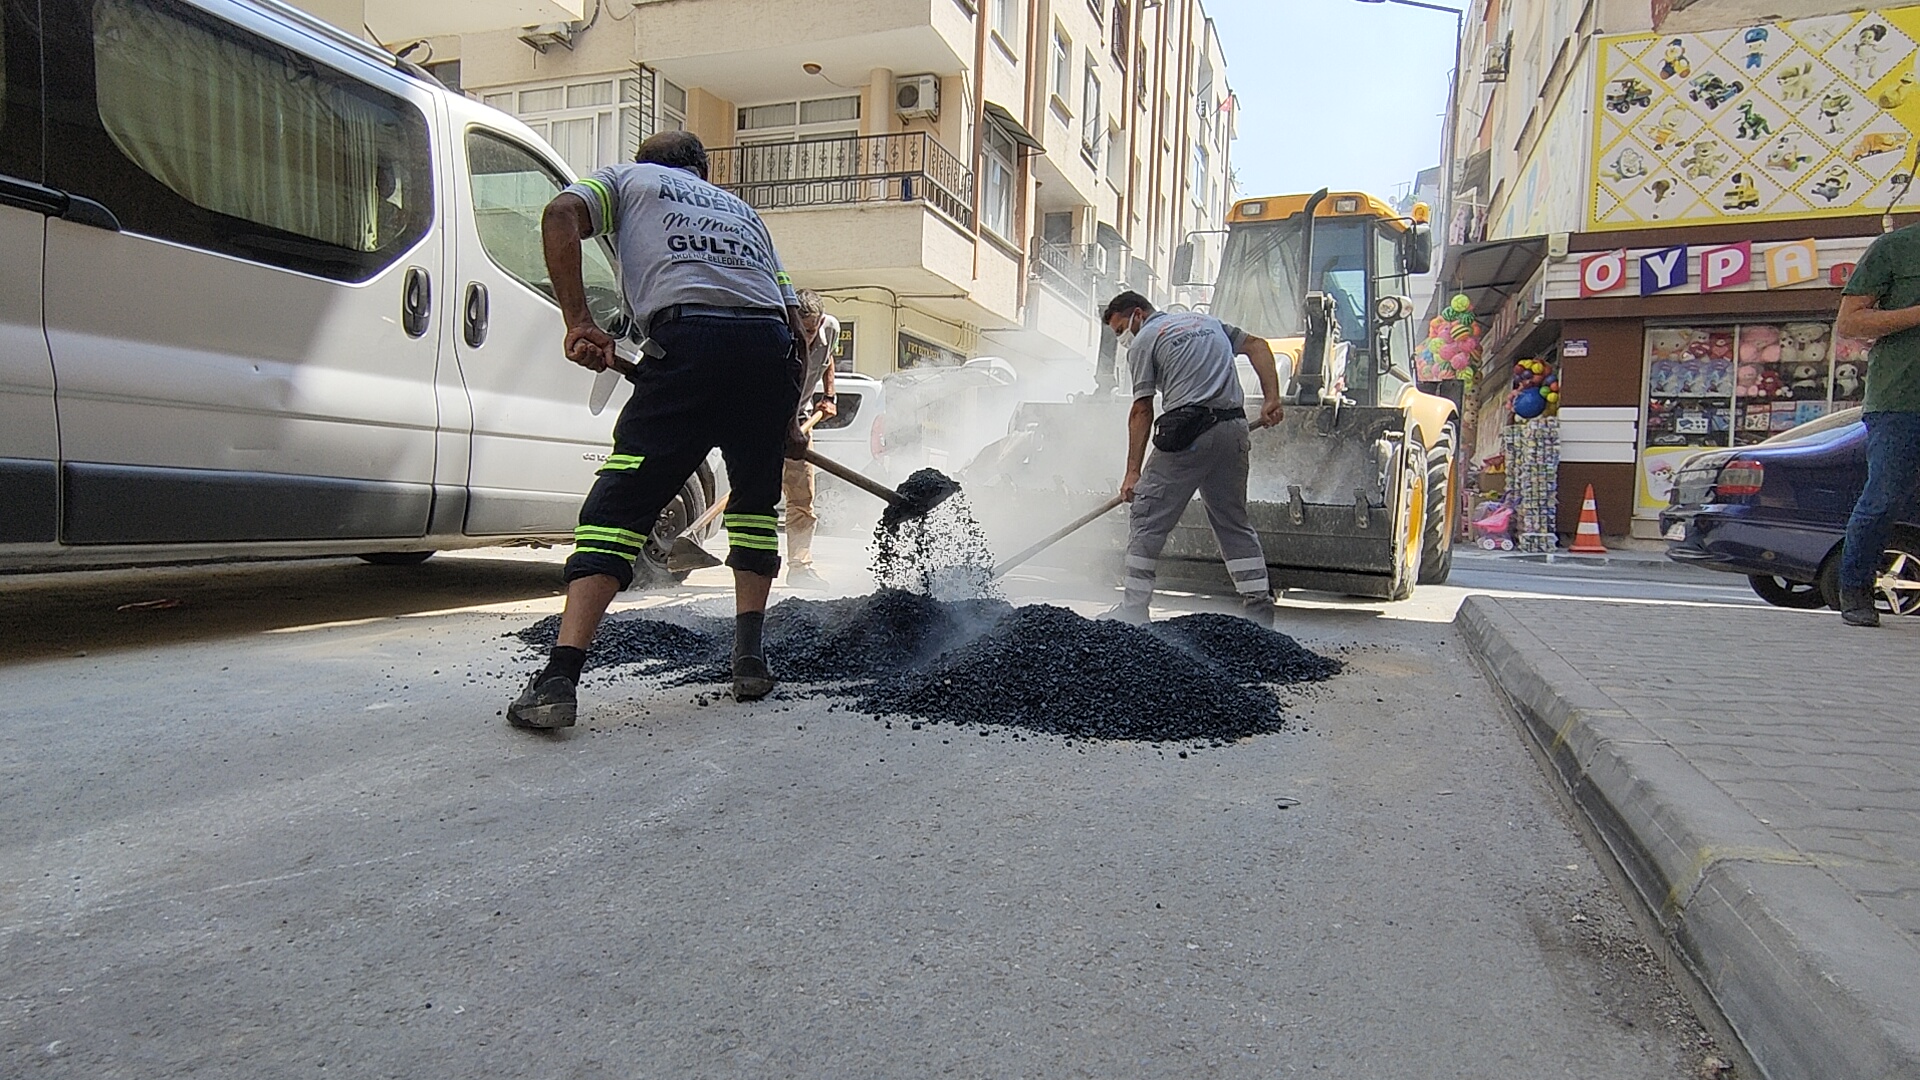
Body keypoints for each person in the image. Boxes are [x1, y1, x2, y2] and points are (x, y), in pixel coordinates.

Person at [508, 131, 807, 727]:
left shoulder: (626, 180)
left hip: (688, 337)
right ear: (703, 172)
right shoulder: (742, 211)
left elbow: (561, 213)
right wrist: (788, 418)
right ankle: (750, 661)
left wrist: (578, 320)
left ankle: (558, 679)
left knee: (620, 504)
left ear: (646, 163)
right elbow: (795, 321)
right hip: (768, 350)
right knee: (754, 505)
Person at [1101, 290, 1284, 625]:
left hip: (1189, 435)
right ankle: (1259, 611)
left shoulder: (1146, 340)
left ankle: (1133, 611)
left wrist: (1132, 473)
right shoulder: (1208, 322)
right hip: (1233, 430)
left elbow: (1142, 410)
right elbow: (1257, 345)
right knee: (1232, 521)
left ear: (1138, 314)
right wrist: (1272, 398)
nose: (1123, 339)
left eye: (1120, 330)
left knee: (1147, 515)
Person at [1834, 224, 1920, 627]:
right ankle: (1854, 588)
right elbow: (1850, 323)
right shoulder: (1896, 247)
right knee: (1884, 497)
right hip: (1901, 398)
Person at [783, 289, 840, 588]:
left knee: (802, 498)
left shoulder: (830, 328)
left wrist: (829, 396)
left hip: (802, 420)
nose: (809, 335)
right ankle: (752, 567)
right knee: (754, 496)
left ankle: (800, 568)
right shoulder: (777, 335)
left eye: (813, 328)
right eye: (803, 329)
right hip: (765, 420)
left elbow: (827, 359)